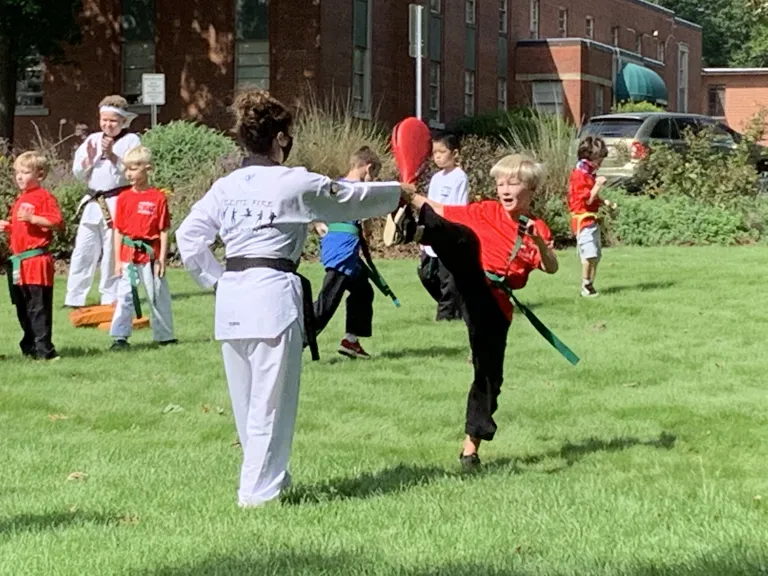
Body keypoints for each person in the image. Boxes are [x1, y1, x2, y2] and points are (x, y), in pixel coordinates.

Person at [175, 89, 407, 508]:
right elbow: (349, 198)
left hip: (232, 298)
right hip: (272, 295)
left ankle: (266, 482)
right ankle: (257, 495)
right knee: (271, 404)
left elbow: (188, 238)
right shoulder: (294, 182)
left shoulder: (225, 187)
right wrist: (399, 192)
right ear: (280, 138)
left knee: (248, 403)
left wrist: (216, 281)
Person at [384, 154, 558, 469]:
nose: (505, 188)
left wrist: (537, 242)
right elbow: (440, 209)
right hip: (470, 277)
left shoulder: (536, 228)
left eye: (513, 182)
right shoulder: (485, 211)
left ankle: (470, 450)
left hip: (495, 307)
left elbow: (551, 267)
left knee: (489, 377)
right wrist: (408, 194)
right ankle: (414, 231)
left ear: (530, 189)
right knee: (464, 238)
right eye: (500, 182)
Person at [65, 95, 141, 308]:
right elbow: (78, 173)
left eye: (113, 121)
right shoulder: (92, 139)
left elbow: (132, 172)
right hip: (93, 202)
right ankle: (75, 297)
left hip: (117, 201)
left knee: (110, 252)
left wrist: (111, 155)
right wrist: (90, 159)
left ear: (124, 121)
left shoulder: (131, 141)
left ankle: (110, 295)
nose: (108, 125)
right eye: (104, 120)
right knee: (83, 250)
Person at [312, 146, 382, 359]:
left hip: (343, 251)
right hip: (342, 253)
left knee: (363, 291)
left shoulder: (334, 186)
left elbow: (315, 207)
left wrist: (318, 224)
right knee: (327, 302)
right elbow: (367, 220)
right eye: (373, 175)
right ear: (367, 168)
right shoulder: (359, 190)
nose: (372, 180)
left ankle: (350, 341)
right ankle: (298, 341)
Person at [109, 146, 176, 350]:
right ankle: (120, 337)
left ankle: (164, 335)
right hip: (129, 253)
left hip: (151, 253)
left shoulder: (157, 198)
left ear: (148, 168)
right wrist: (118, 260)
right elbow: (118, 230)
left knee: (157, 294)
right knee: (125, 295)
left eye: (134, 168)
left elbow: (163, 229)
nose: (129, 173)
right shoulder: (123, 198)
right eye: (127, 169)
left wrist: (162, 259)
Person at [1, 151, 64, 360]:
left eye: (25, 172)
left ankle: (45, 350)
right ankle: (29, 347)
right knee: (23, 307)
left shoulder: (44, 197)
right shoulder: (22, 199)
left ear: (40, 174)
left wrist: (33, 218)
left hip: (36, 261)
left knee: (38, 307)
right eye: (17, 172)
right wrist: (9, 227)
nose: (20, 176)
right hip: (20, 263)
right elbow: (24, 229)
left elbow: (56, 222)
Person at [418, 133, 468, 321]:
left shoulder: (459, 177)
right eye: (434, 153)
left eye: (442, 151)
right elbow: (428, 205)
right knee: (427, 275)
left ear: (454, 153)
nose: (437, 156)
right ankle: (453, 306)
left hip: (448, 232)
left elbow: (459, 206)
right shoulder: (436, 178)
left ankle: (445, 315)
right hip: (432, 232)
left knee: (448, 278)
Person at [567, 135, 616, 298]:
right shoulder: (580, 175)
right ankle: (586, 285)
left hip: (591, 219)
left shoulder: (588, 173)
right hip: (583, 220)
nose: (601, 163)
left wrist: (605, 202)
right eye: (599, 159)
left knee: (596, 256)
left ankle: (590, 285)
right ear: (590, 157)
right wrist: (598, 184)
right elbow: (587, 198)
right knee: (590, 254)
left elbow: (593, 199)